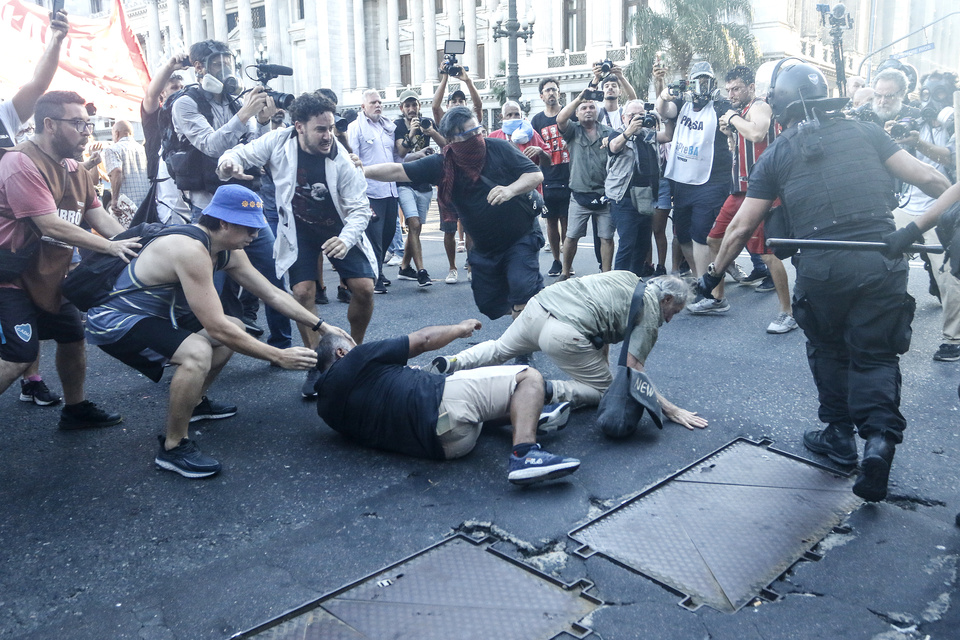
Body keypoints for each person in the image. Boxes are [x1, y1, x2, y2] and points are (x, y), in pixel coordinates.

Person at [700, 61, 951, 503]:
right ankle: (878, 441)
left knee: (830, 350)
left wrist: (712, 275)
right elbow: (932, 179)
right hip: (882, 258)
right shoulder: (866, 131)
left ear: (780, 105)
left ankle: (838, 435)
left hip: (823, 270)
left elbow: (739, 228)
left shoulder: (776, 154)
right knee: (875, 355)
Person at [84, 185, 351, 478]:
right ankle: (173, 447)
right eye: (249, 228)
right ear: (223, 222)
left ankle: (195, 403)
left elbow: (272, 294)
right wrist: (278, 355)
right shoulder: (190, 249)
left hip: (158, 315)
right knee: (198, 351)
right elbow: (215, 327)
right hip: (115, 318)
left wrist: (322, 326)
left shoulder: (226, 249)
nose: (256, 235)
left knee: (236, 326)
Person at [217, 93, 378, 397]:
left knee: (364, 288)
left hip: (339, 228)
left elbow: (359, 209)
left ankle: (352, 351)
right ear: (299, 127)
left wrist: (345, 239)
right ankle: (319, 361)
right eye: (321, 129)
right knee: (301, 293)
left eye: (331, 128)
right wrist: (228, 164)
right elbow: (241, 153)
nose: (328, 135)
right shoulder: (279, 140)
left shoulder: (342, 160)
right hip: (300, 229)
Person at [0, 91, 139, 429]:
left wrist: (132, 243)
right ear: (49, 124)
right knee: (19, 356)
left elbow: (98, 216)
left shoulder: (76, 169)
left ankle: (75, 410)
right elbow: (48, 223)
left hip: (51, 274)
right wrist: (109, 248)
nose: (87, 132)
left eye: (88, 124)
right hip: (12, 276)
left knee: (73, 338)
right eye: (78, 124)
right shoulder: (19, 162)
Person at [314, 319, 580, 485]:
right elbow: (422, 341)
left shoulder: (326, 411)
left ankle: (525, 415)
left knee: (472, 394)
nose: (355, 344)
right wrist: (458, 329)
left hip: (446, 448)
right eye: (350, 342)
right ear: (341, 352)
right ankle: (525, 453)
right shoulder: (354, 358)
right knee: (528, 378)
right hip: (445, 405)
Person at [428, 273, 706, 426]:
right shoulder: (651, 314)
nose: (670, 318)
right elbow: (634, 371)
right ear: (666, 298)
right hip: (565, 333)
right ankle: (546, 392)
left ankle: (451, 362)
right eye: (674, 311)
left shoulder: (629, 279)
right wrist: (670, 410)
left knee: (500, 348)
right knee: (605, 392)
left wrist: (600, 365)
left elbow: (603, 318)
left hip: (540, 306)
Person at [363, 106, 544, 322]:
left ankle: (523, 346)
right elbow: (397, 171)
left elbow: (535, 174)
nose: (477, 138)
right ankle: (529, 309)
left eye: (478, 131)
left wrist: (510, 190)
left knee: (521, 289)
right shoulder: (443, 164)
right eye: (468, 135)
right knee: (490, 305)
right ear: (451, 140)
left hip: (521, 236)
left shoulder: (499, 148)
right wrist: (361, 171)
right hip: (485, 248)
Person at [170, 39, 286, 345]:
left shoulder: (234, 103)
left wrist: (260, 121)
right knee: (209, 285)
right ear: (199, 68)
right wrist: (245, 114)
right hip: (209, 209)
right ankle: (200, 351)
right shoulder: (185, 103)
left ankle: (282, 343)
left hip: (246, 204)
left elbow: (253, 146)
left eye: (228, 60)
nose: (226, 68)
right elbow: (209, 144)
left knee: (273, 273)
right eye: (218, 62)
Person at [699, 65, 797, 333]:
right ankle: (718, 299)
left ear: (751, 88)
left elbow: (758, 133)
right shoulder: (742, 112)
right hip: (739, 190)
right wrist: (731, 134)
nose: (731, 93)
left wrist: (731, 119)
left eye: (737, 88)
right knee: (715, 239)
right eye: (728, 89)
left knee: (767, 254)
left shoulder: (759, 106)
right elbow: (741, 147)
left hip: (760, 192)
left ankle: (787, 312)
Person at [889, 72, 959, 362]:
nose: (931, 101)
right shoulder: (915, 120)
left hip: (943, 209)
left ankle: (954, 338)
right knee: (879, 256)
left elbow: (949, 158)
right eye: (926, 94)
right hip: (907, 204)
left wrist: (918, 143)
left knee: (949, 276)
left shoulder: (953, 124)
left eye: (938, 94)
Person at [656, 62, 734, 290]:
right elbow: (663, 110)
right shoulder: (681, 103)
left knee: (703, 235)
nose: (702, 86)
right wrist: (665, 94)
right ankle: (702, 277)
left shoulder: (720, 105)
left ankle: (710, 288)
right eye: (697, 80)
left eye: (705, 80)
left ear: (712, 82)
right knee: (683, 234)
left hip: (711, 180)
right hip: (682, 180)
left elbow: (731, 123)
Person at [605, 100, 670, 276]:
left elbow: (668, 136)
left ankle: (633, 282)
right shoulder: (617, 133)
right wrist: (629, 131)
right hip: (623, 197)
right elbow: (614, 147)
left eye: (640, 115)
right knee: (627, 243)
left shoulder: (648, 134)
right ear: (623, 117)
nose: (636, 119)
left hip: (646, 197)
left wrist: (665, 116)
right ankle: (617, 284)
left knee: (642, 243)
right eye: (632, 115)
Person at [556, 89, 615, 278]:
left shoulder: (609, 132)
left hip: (605, 194)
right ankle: (565, 272)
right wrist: (578, 99)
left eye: (591, 107)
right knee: (571, 237)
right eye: (583, 108)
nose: (588, 110)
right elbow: (560, 119)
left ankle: (606, 275)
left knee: (606, 237)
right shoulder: (573, 130)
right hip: (579, 194)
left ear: (597, 111)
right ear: (577, 113)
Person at [348, 89, 399, 295]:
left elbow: (396, 157)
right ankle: (375, 277)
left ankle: (377, 269)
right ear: (363, 107)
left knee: (388, 234)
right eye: (373, 103)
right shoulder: (355, 128)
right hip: (370, 191)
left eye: (379, 102)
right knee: (374, 237)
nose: (378, 105)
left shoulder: (387, 127)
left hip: (390, 189)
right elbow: (352, 161)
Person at [394, 88, 445, 288]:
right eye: (407, 105)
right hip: (404, 182)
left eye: (414, 104)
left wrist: (431, 131)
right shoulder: (397, 125)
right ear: (401, 108)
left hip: (424, 183)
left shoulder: (427, 122)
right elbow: (401, 151)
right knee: (413, 225)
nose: (411, 109)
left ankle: (405, 266)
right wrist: (413, 132)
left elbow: (445, 144)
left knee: (417, 229)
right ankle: (422, 271)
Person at [531, 78, 571, 278]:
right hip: (547, 179)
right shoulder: (537, 121)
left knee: (566, 221)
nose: (551, 93)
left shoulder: (568, 116)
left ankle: (567, 261)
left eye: (554, 90)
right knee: (550, 221)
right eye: (547, 90)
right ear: (541, 96)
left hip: (569, 177)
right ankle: (556, 260)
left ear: (559, 93)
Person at [103, 120, 149, 225]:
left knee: (127, 237)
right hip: (146, 202)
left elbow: (117, 172)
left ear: (116, 133)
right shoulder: (142, 149)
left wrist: (114, 199)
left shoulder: (113, 149)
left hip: (126, 204)